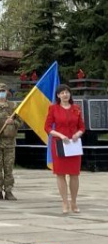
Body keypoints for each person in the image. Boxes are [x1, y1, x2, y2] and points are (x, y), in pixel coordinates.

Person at [45, 84, 86, 214]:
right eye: (62, 93)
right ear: (58, 95)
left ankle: (74, 202)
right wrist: (60, 135)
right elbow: (47, 127)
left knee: (74, 174)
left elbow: (82, 127)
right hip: (59, 144)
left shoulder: (76, 108)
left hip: (73, 144)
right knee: (60, 174)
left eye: (67, 92)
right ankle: (65, 202)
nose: (65, 94)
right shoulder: (53, 108)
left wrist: (77, 134)